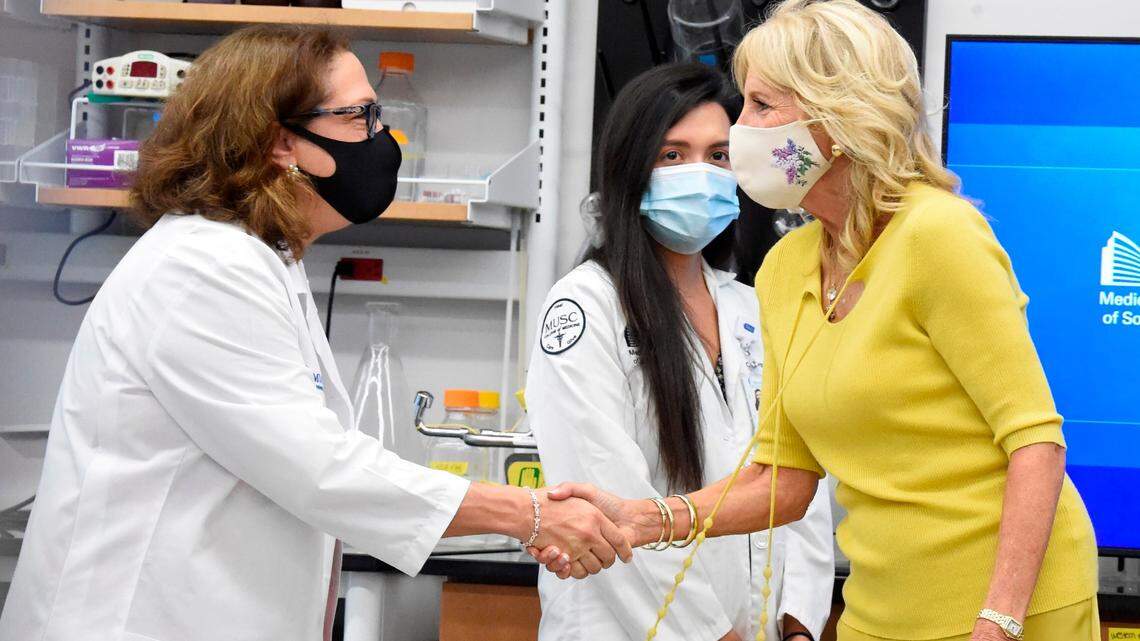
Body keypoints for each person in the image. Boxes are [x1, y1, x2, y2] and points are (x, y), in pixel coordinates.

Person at [0, 26, 630, 641]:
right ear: (281, 144)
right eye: (361, 118)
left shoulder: (261, 258)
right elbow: (319, 469)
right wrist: (529, 513)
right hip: (130, 618)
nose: (383, 138)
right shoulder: (202, 268)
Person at [535, 2, 1100, 641]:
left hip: (1008, 609)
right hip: (881, 608)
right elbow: (783, 479)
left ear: (840, 116)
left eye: (761, 107)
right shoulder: (785, 269)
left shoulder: (937, 235)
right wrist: (644, 519)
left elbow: (1036, 444)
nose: (742, 131)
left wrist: (997, 625)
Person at [526, 64, 834, 641]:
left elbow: (795, 481)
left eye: (718, 155)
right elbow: (612, 505)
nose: (700, 173)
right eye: (673, 155)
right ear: (631, 170)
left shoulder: (753, 305)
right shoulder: (586, 307)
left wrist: (799, 622)